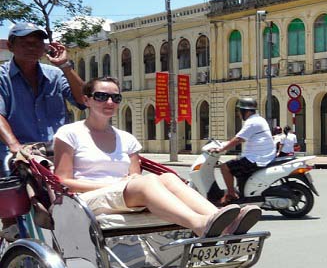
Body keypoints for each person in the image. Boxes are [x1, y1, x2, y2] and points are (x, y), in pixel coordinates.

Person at [52, 77, 261, 237]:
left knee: (168, 178)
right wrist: (111, 185)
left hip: (123, 194)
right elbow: (62, 181)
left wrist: (127, 183)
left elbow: (135, 177)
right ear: (87, 100)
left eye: (115, 98)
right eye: (101, 96)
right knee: (147, 182)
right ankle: (200, 224)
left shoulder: (126, 138)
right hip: (89, 198)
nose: (109, 102)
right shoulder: (70, 133)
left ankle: (220, 221)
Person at [0, 23, 86, 240]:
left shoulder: (55, 74)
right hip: (17, 152)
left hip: (53, 150)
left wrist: (66, 65)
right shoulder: (2, 76)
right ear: (11, 46)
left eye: (38, 43)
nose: (33, 47)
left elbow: (84, 100)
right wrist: (14, 146)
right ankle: (11, 228)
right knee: (9, 178)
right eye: (25, 43)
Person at [211, 97, 276, 205]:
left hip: (256, 158)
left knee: (225, 167)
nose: (238, 114)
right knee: (238, 166)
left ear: (245, 111)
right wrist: (224, 144)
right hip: (260, 156)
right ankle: (241, 194)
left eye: (239, 111)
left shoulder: (252, 122)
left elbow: (238, 139)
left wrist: (221, 149)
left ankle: (231, 194)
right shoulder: (259, 119)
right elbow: (240, 137)